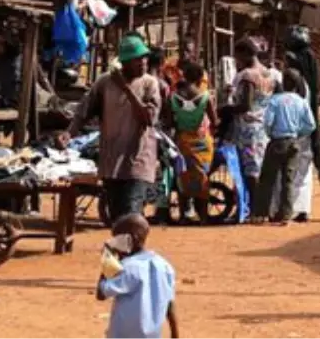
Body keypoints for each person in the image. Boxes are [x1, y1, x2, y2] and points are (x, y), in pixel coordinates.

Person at [69, 34, 163, 222]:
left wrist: (126, 89)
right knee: (117, 218)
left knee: (132, 212)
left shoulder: (149, 84)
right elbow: (84, 111)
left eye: (144, 57)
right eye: (138, 59)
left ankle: (134, 250)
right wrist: (69, 133)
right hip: (112, 162)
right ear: (125, 62)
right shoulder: (104, 82)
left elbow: (148, 118)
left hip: (138, 160)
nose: (143, 62)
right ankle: (125, 250)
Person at [96, 213, 179, 339]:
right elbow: (170, 305)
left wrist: (108, 260)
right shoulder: (165, 266)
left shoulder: (128, 267)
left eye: (117, 239)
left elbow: (101, 293)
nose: (114, 243)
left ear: (130, 239)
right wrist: (175, 335)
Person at [254, 69, 317, 225]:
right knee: (288, 180)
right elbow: (311, 124)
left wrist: (271, 134)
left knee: (267, 179)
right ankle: (286, 215)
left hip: (277, 142)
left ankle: (261, 214)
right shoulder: (301, 101)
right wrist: (298, 133)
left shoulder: (275, 101)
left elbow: (268, 122)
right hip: (294, 143)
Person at [163, 61, 219, 223]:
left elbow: (168, 123)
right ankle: (203, 217)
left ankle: (183, 216)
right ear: (201, 78)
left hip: (182, 142)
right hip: (202, 143)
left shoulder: (173, 97)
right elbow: (214, 122)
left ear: (184, 76)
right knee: (202, 176)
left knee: (183, 176)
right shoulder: (206, 97)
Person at [225, 38, 273, 217]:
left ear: (244, 54)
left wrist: (226, 109)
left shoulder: (247, 75)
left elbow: (245, 105)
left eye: (237, 56)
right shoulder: (269, 74)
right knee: (258, 169)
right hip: (263, 128)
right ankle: (258, 208)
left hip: (247, 128)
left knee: (249, 171)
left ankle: (254, 209)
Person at [285, 25, 320, 219]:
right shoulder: (310, 83)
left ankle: (291, 207)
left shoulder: (294, 83)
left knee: (291, 169)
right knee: (304, 168)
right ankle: (303, 209)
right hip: (308, 128)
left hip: (294, 130)